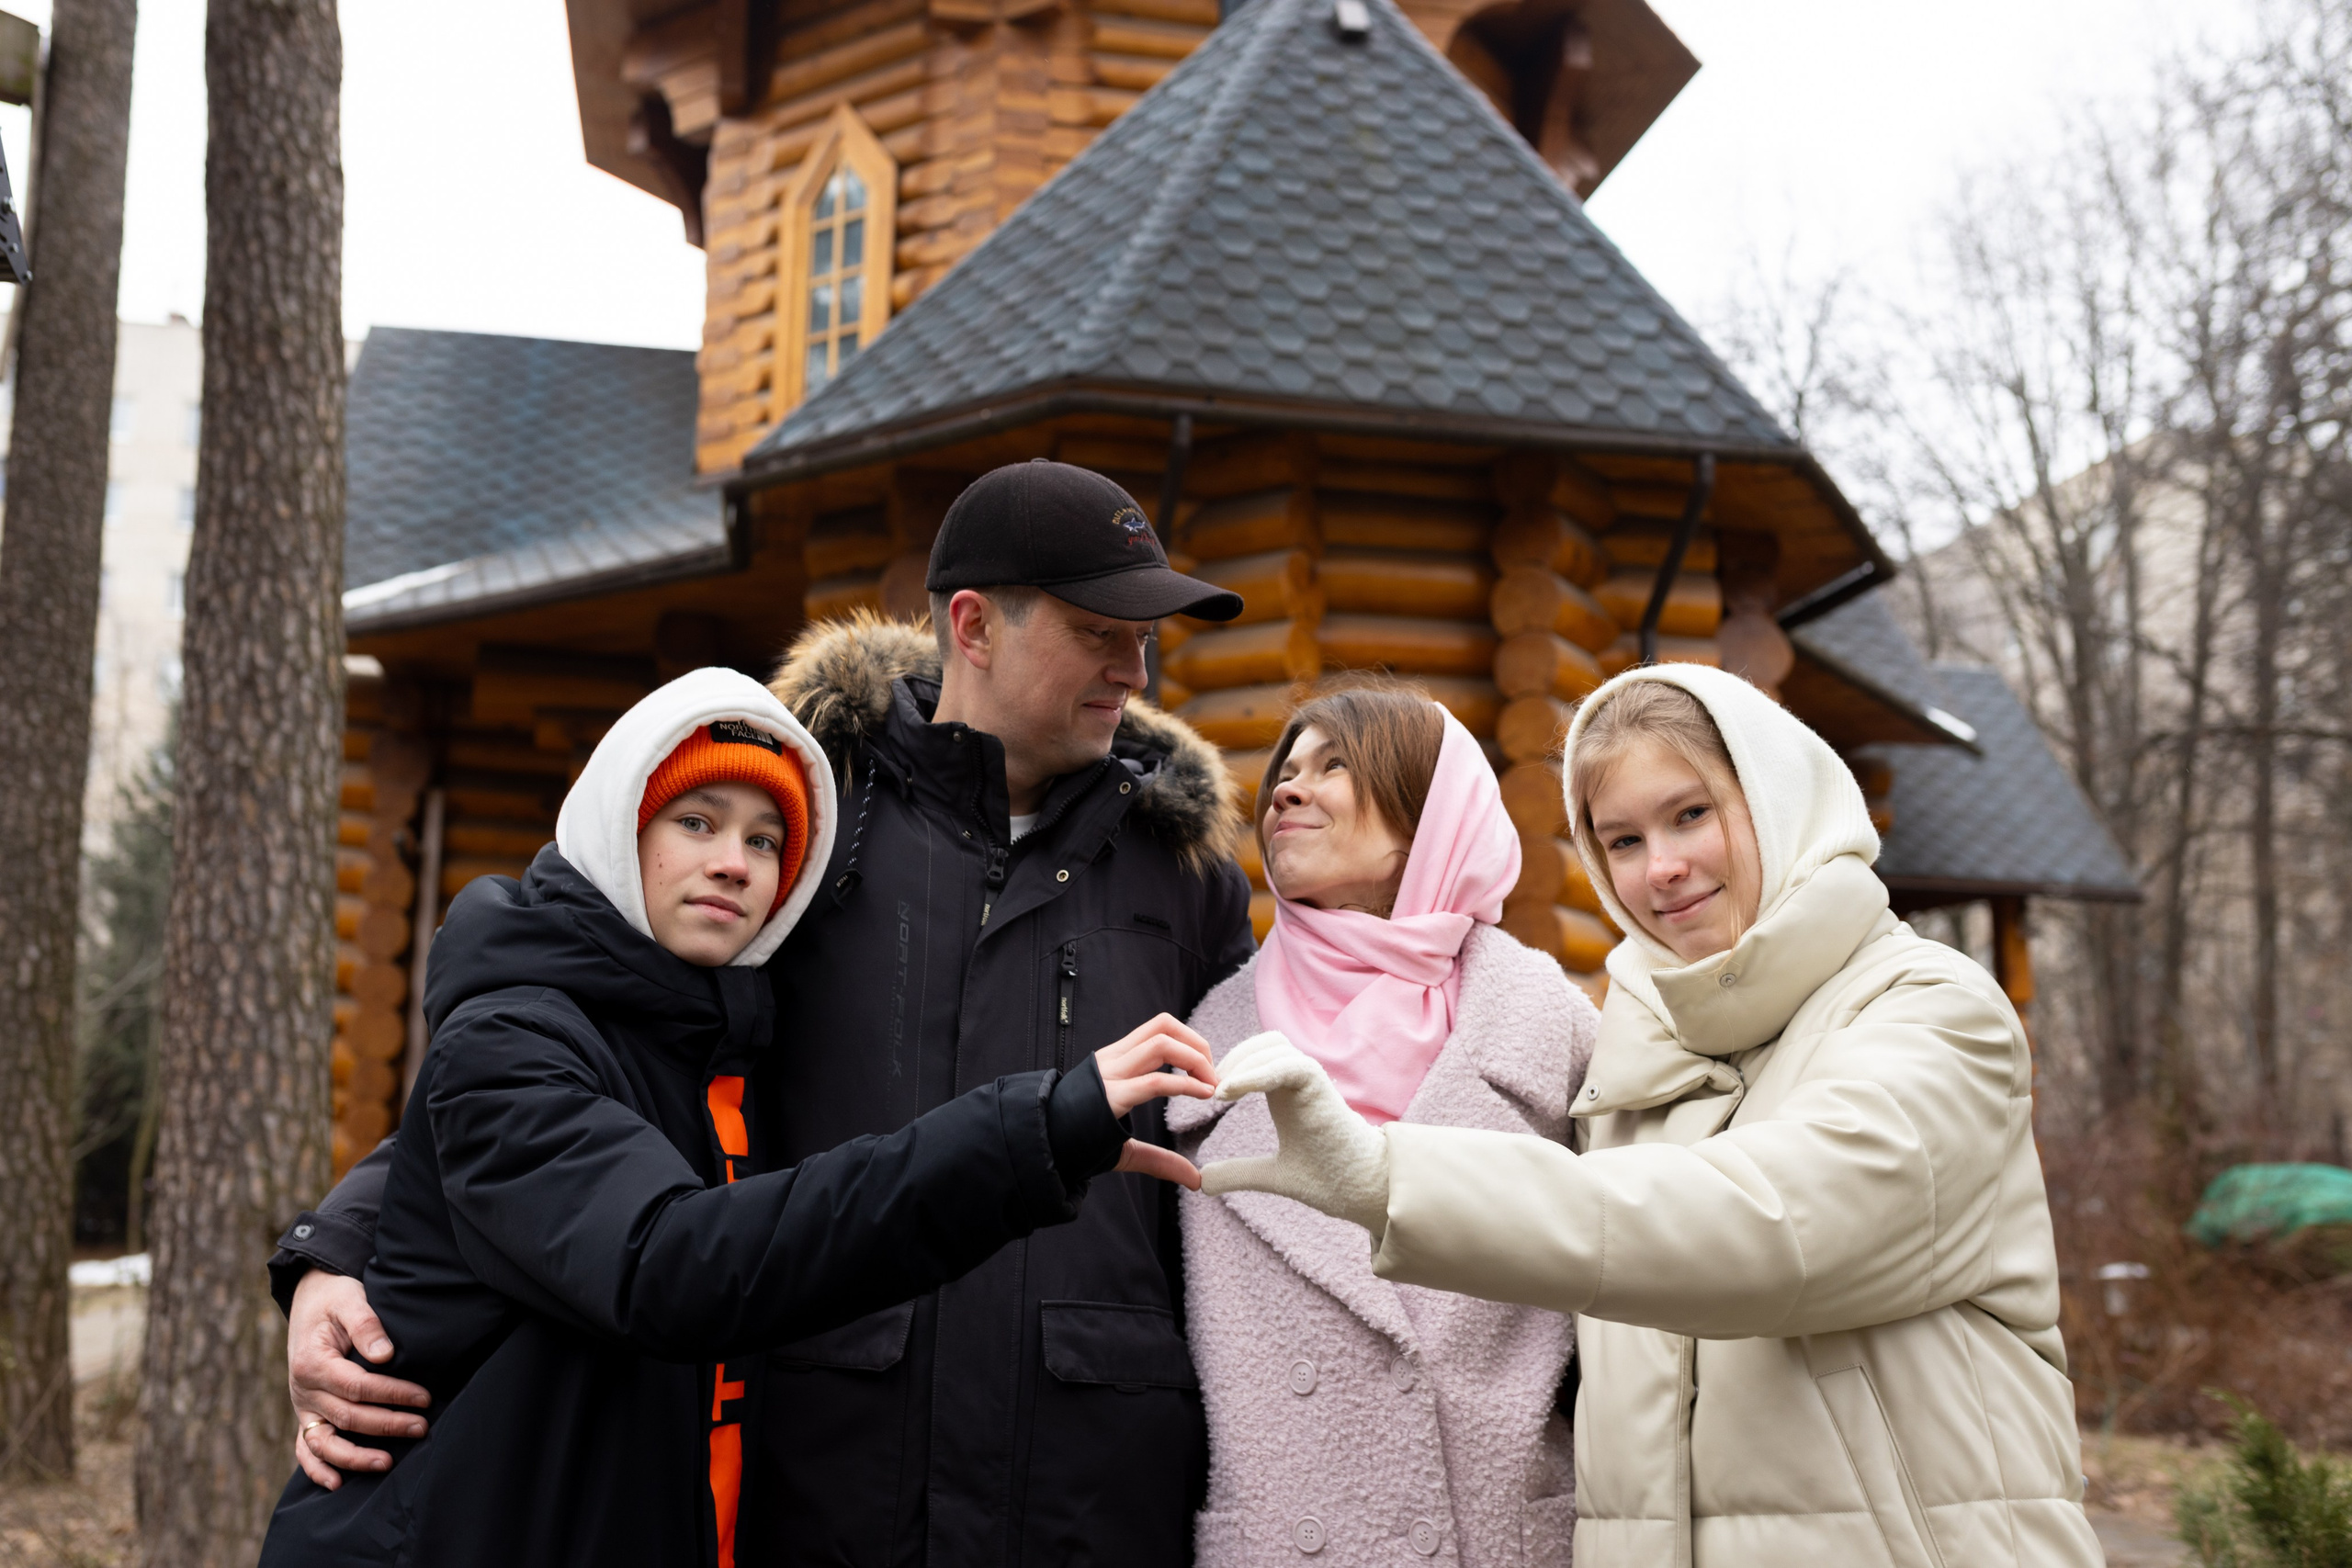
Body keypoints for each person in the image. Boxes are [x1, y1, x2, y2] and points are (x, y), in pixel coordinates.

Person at [272, 460, 1260, 1565]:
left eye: (1145, 638)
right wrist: (340, 1249)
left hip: (1085, 1492)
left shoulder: (1188, 879)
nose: (1135, 670)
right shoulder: (804, 831)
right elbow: (578, 1057)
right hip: (822, 1477)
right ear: (975, 626)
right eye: (1099, 632)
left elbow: (1252, 1146)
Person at [1203, 664, 2103, 1568]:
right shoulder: (1634, 1068)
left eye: (1690, 815)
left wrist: (1390, 1180)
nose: (1661, 868)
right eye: (1622, 841)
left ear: (1776, 799)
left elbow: (1765, 1228)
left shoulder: (1931, 1012)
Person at [1168, 684, 1597, 1567]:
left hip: (1502, 1539)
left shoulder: (1550, 1032)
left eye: (1334, 767)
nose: (1286, 790)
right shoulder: (1205, 1049)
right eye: (1285, 771)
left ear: (1429, 813)